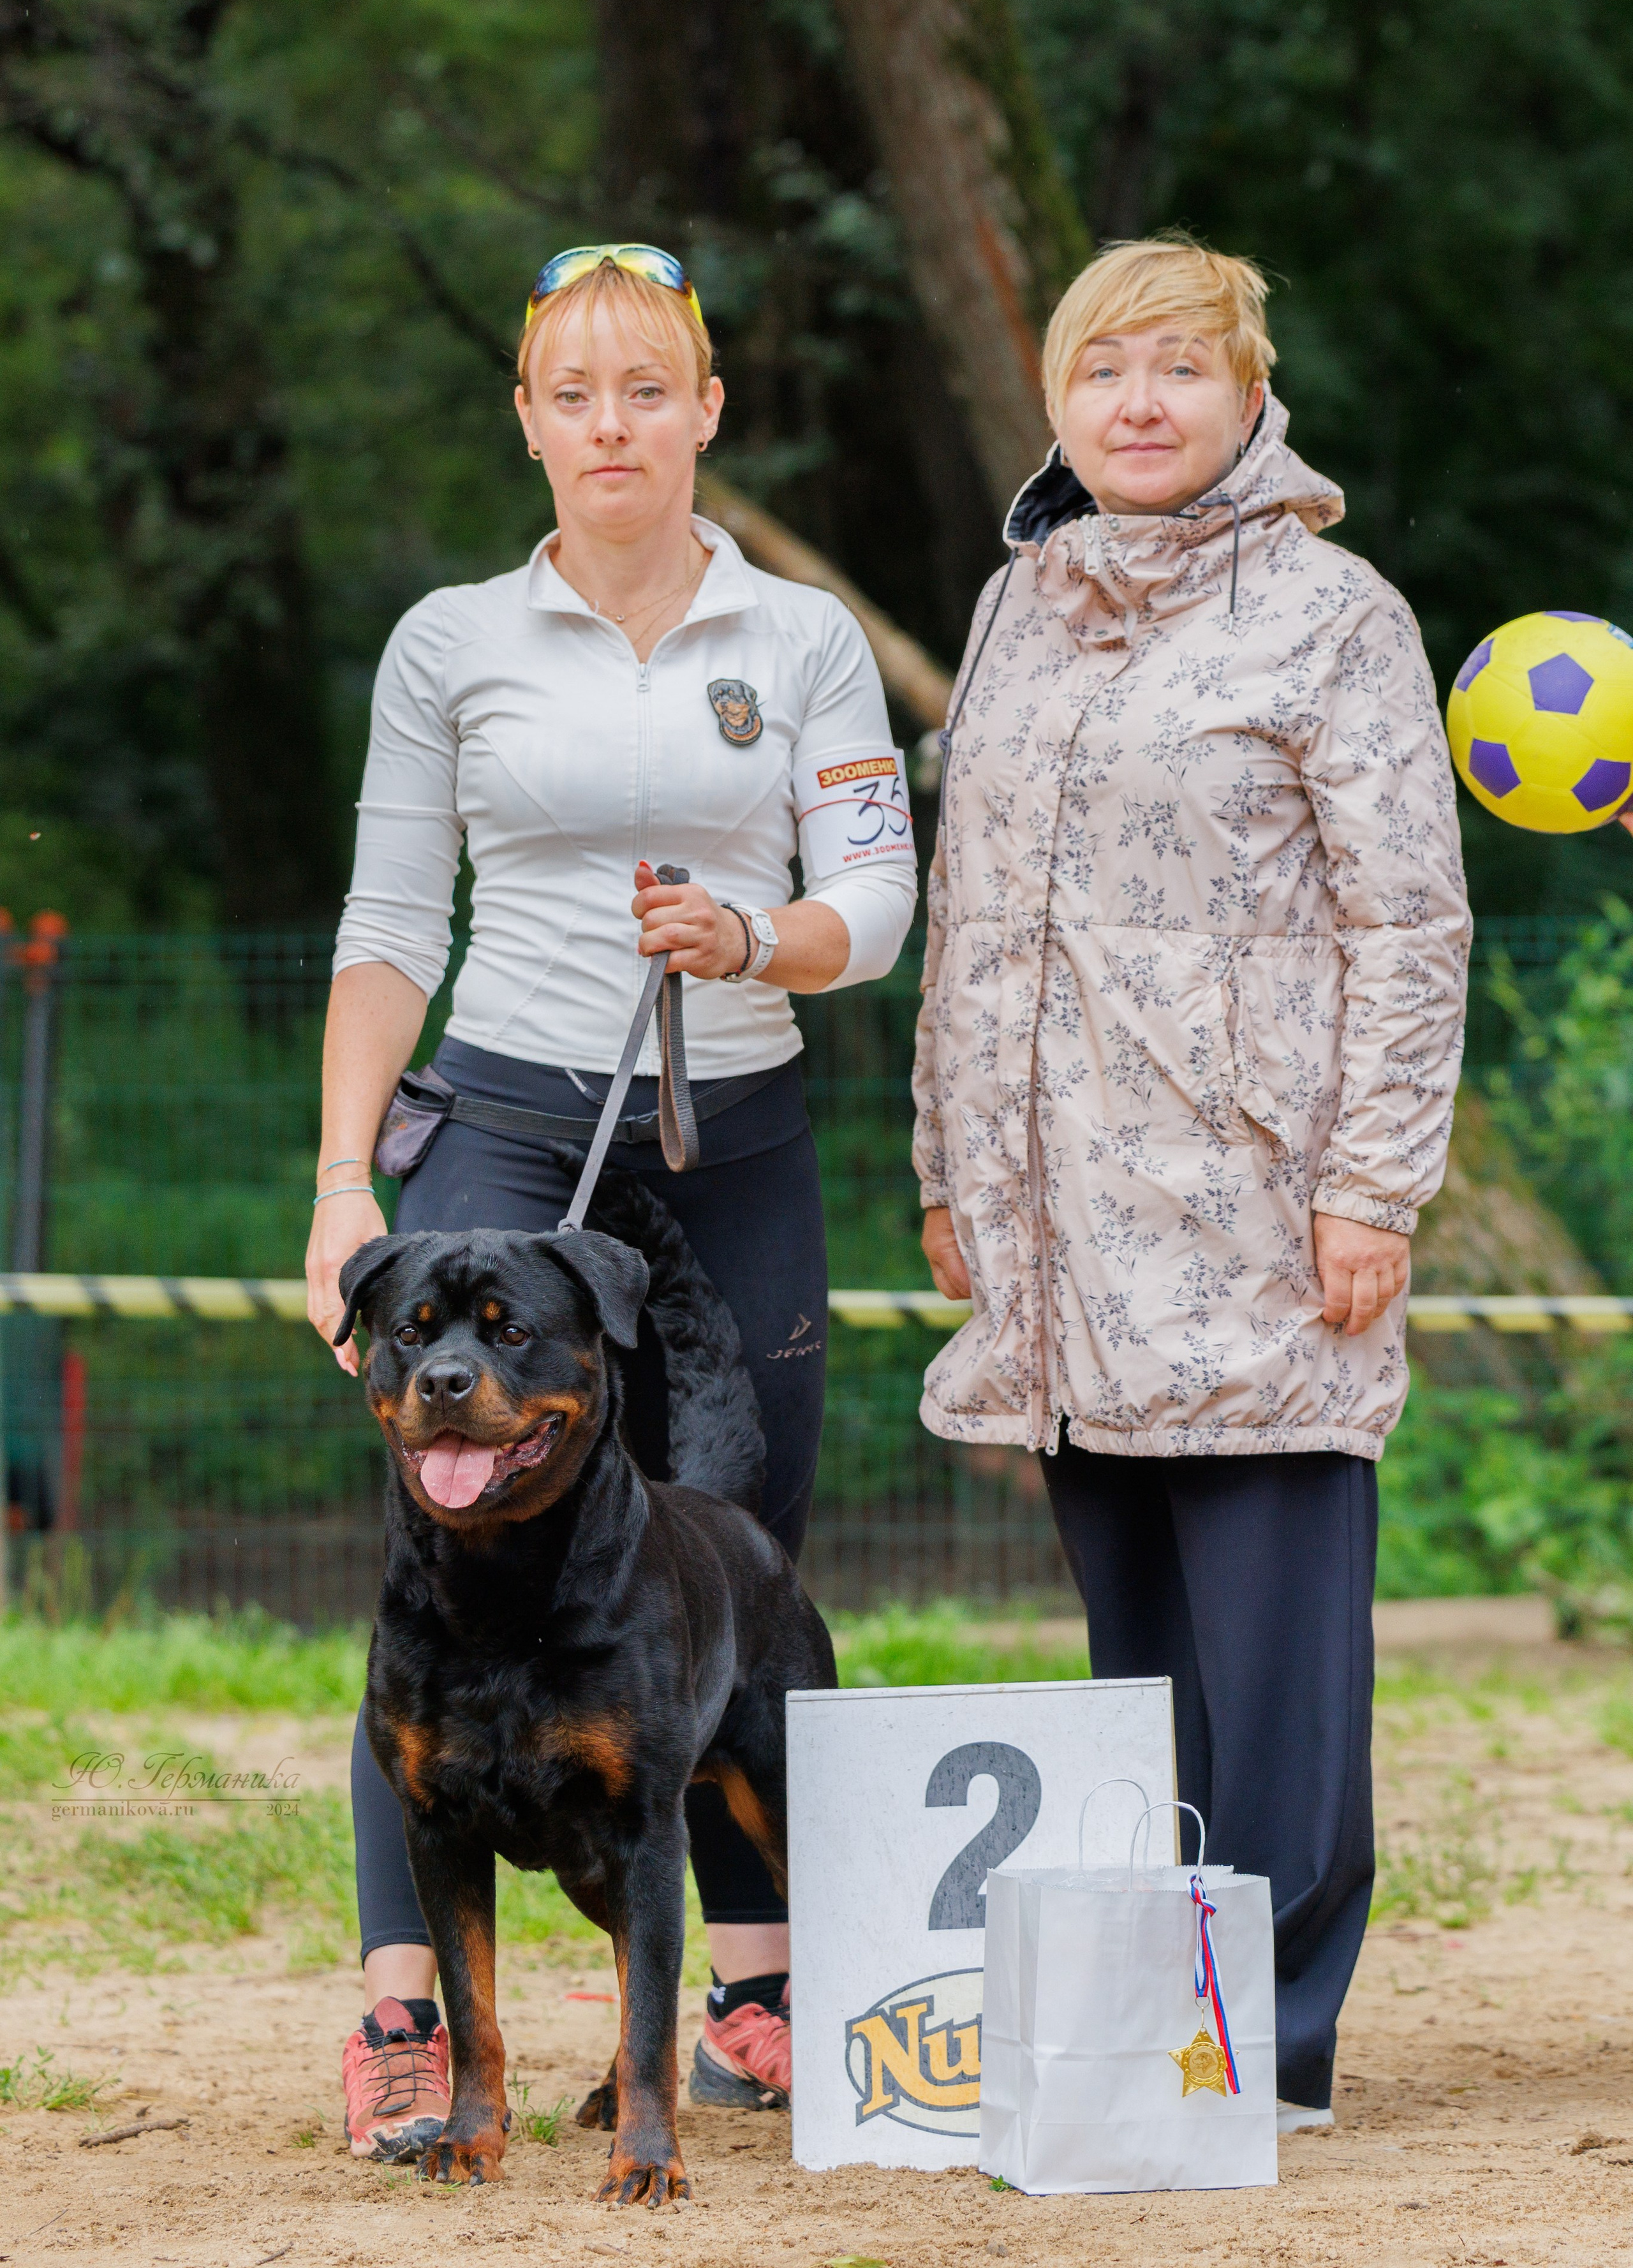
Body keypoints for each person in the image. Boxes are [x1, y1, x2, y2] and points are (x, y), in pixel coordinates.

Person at [306, 244, 917, 2156]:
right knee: (445, 1558)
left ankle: (754, 1991)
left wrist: (757, 934)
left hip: (731, 1130)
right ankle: (408, 2021)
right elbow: (395, 924)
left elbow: (876, 910)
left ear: (707, 412)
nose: (612, 426)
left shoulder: (803, 637)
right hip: (496, 1129)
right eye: (573, 395)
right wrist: (342, 1183)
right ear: (528, 423)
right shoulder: (449, 641)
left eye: (648, 390)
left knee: (738, 1563)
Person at [915, 235, 1469, 2128]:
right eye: (1102, 373)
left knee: (1275, 1675)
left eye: (1178, 372)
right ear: (1057, 402)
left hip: (1258, 1225)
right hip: (1061, 1236)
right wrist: (947, 1166)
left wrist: (1375, 1186)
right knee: (1135, 1673)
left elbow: (1411, 925)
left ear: (1251, 397)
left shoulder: (1337, 616)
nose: (1137, 406)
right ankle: (1153, 2028)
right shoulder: (1014, 610)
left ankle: (1277, 2035)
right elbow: (969, 920)